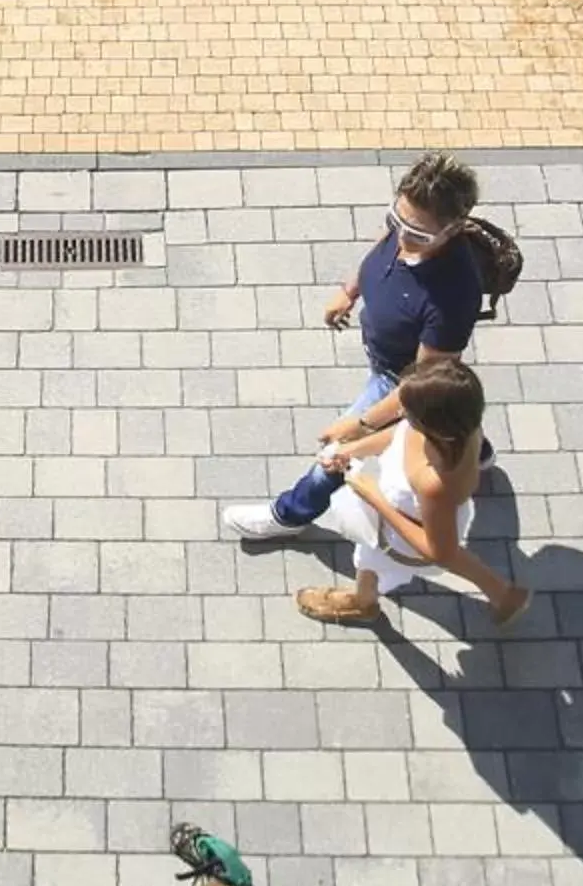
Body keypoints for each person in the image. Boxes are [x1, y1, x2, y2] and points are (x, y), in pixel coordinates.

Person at [225, 151, 505, 545]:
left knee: (338, 454)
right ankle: (477, 453)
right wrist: (350, 290)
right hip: (385, 354)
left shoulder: (452, 297)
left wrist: (359, 425)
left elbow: (421, 385)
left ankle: (290, 513)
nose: (403, 239)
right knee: (450, 411)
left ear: (453, 229)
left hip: (398, 379)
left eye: (418, 235)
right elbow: (385, 244)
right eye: (396, 220)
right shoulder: (410, 226)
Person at [240, 359, 531, 628]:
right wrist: (349, 450)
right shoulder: (459, 426)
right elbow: (401, 434)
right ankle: (503, 595)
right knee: (435, 547)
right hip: (427, 512)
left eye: (407, 408)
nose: (399, 411)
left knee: (370, 561)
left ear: (433, 423)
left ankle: (362, 603)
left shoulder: (435, 483)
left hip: (401, 529)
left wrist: (374, 497)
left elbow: (439, 551)